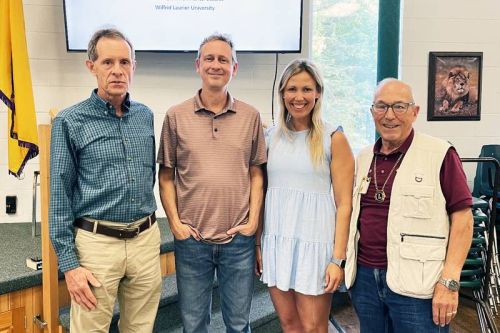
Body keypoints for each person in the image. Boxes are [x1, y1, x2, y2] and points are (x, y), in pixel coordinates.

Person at [49, 28, 161, 332]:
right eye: (108, 62)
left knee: (140, 328)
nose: (117, 71)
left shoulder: (145, 116)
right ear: (91, 66)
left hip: (145, 240)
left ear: (134, 67)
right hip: (96, 245)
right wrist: (70, 266)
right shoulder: (69, 121)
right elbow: (59, 198)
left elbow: (147, 176)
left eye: (125, 62)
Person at [157, 33, 267, 333]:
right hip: (191, 240)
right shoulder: (176, 116)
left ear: (235, 67)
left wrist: (253, 222)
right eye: (209, 58)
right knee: (194, 325)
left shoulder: (250, 116)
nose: (216, 64)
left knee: (238, 324)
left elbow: (257, 173)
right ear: (198, 65)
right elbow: (165, 176)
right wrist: (176, 225)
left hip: (238, 240)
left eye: (223, 59)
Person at [345, 78, 473, 332]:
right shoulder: (363, 157)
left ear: (414, 112)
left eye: (399, 107)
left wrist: (449, 281)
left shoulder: (440, 154)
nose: (389, 115)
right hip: (366, 280)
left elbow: (463, 219)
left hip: (419, 285)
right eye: (381, 106)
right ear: (372, 112)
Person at [256, 59, 355, 332]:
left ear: (318, 93)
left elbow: (345, 204)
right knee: (289, 324)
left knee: (313, 327)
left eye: (306, 89)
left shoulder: (333, 138)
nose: (298, 97)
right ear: (282, 94)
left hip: (316, 246)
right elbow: (262, 193)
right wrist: (258, 244)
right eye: (292, 89)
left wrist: (338, 260)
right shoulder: (269, 136)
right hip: (278, 242)